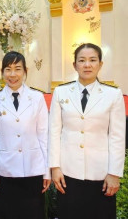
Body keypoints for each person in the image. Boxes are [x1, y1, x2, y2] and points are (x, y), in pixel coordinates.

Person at [49, 43, 126, 219]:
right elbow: (54, 132)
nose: (87, 65)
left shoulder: (113, 95)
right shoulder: (61, 92)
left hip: (101, 173)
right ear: (74, 65)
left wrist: (114, 173)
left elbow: (117, 136)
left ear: (100, 64)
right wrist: (55, 167)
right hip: (68, 173)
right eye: (82, 60)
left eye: (92, 60)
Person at [0, 51, 51, 219]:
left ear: (25, 71)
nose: (12, 74)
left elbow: (44, 135)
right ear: (2, 72)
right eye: (8, 69)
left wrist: (46, 171)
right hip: (5, 172)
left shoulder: (37, 98)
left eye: (17, 69)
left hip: (33, 170)